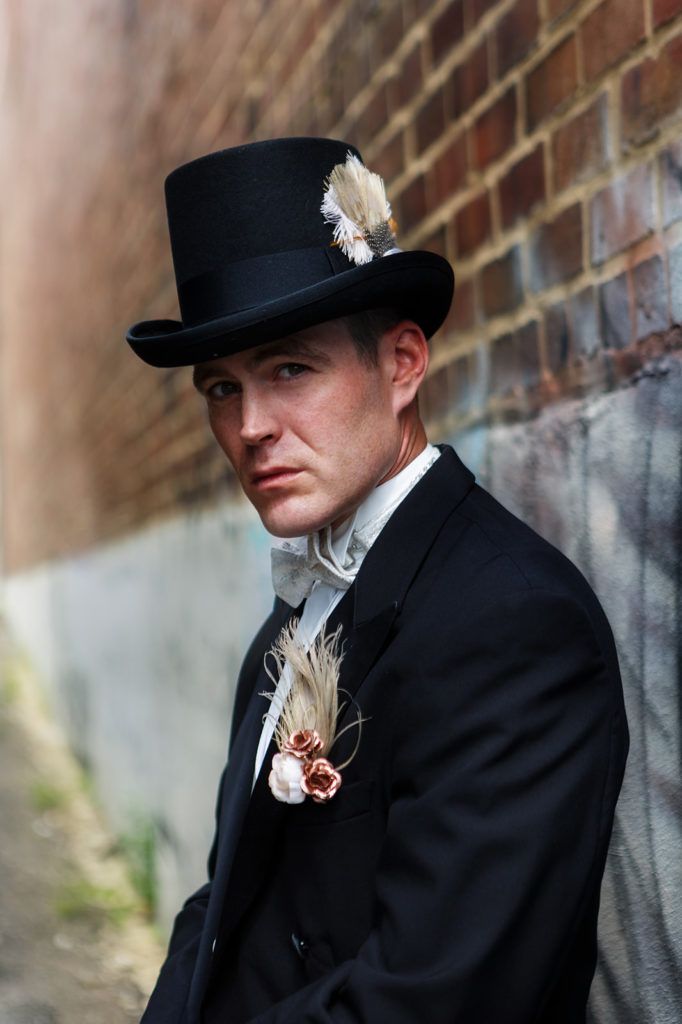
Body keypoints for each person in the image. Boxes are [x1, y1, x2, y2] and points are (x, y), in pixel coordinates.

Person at [126, 137, 628, 1024]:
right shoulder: (296, 616)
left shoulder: (512, 623)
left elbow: (434, 1000)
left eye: (289, 369)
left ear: (401, 365)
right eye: (220, 388)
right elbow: (221, 913)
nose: (249, 427)